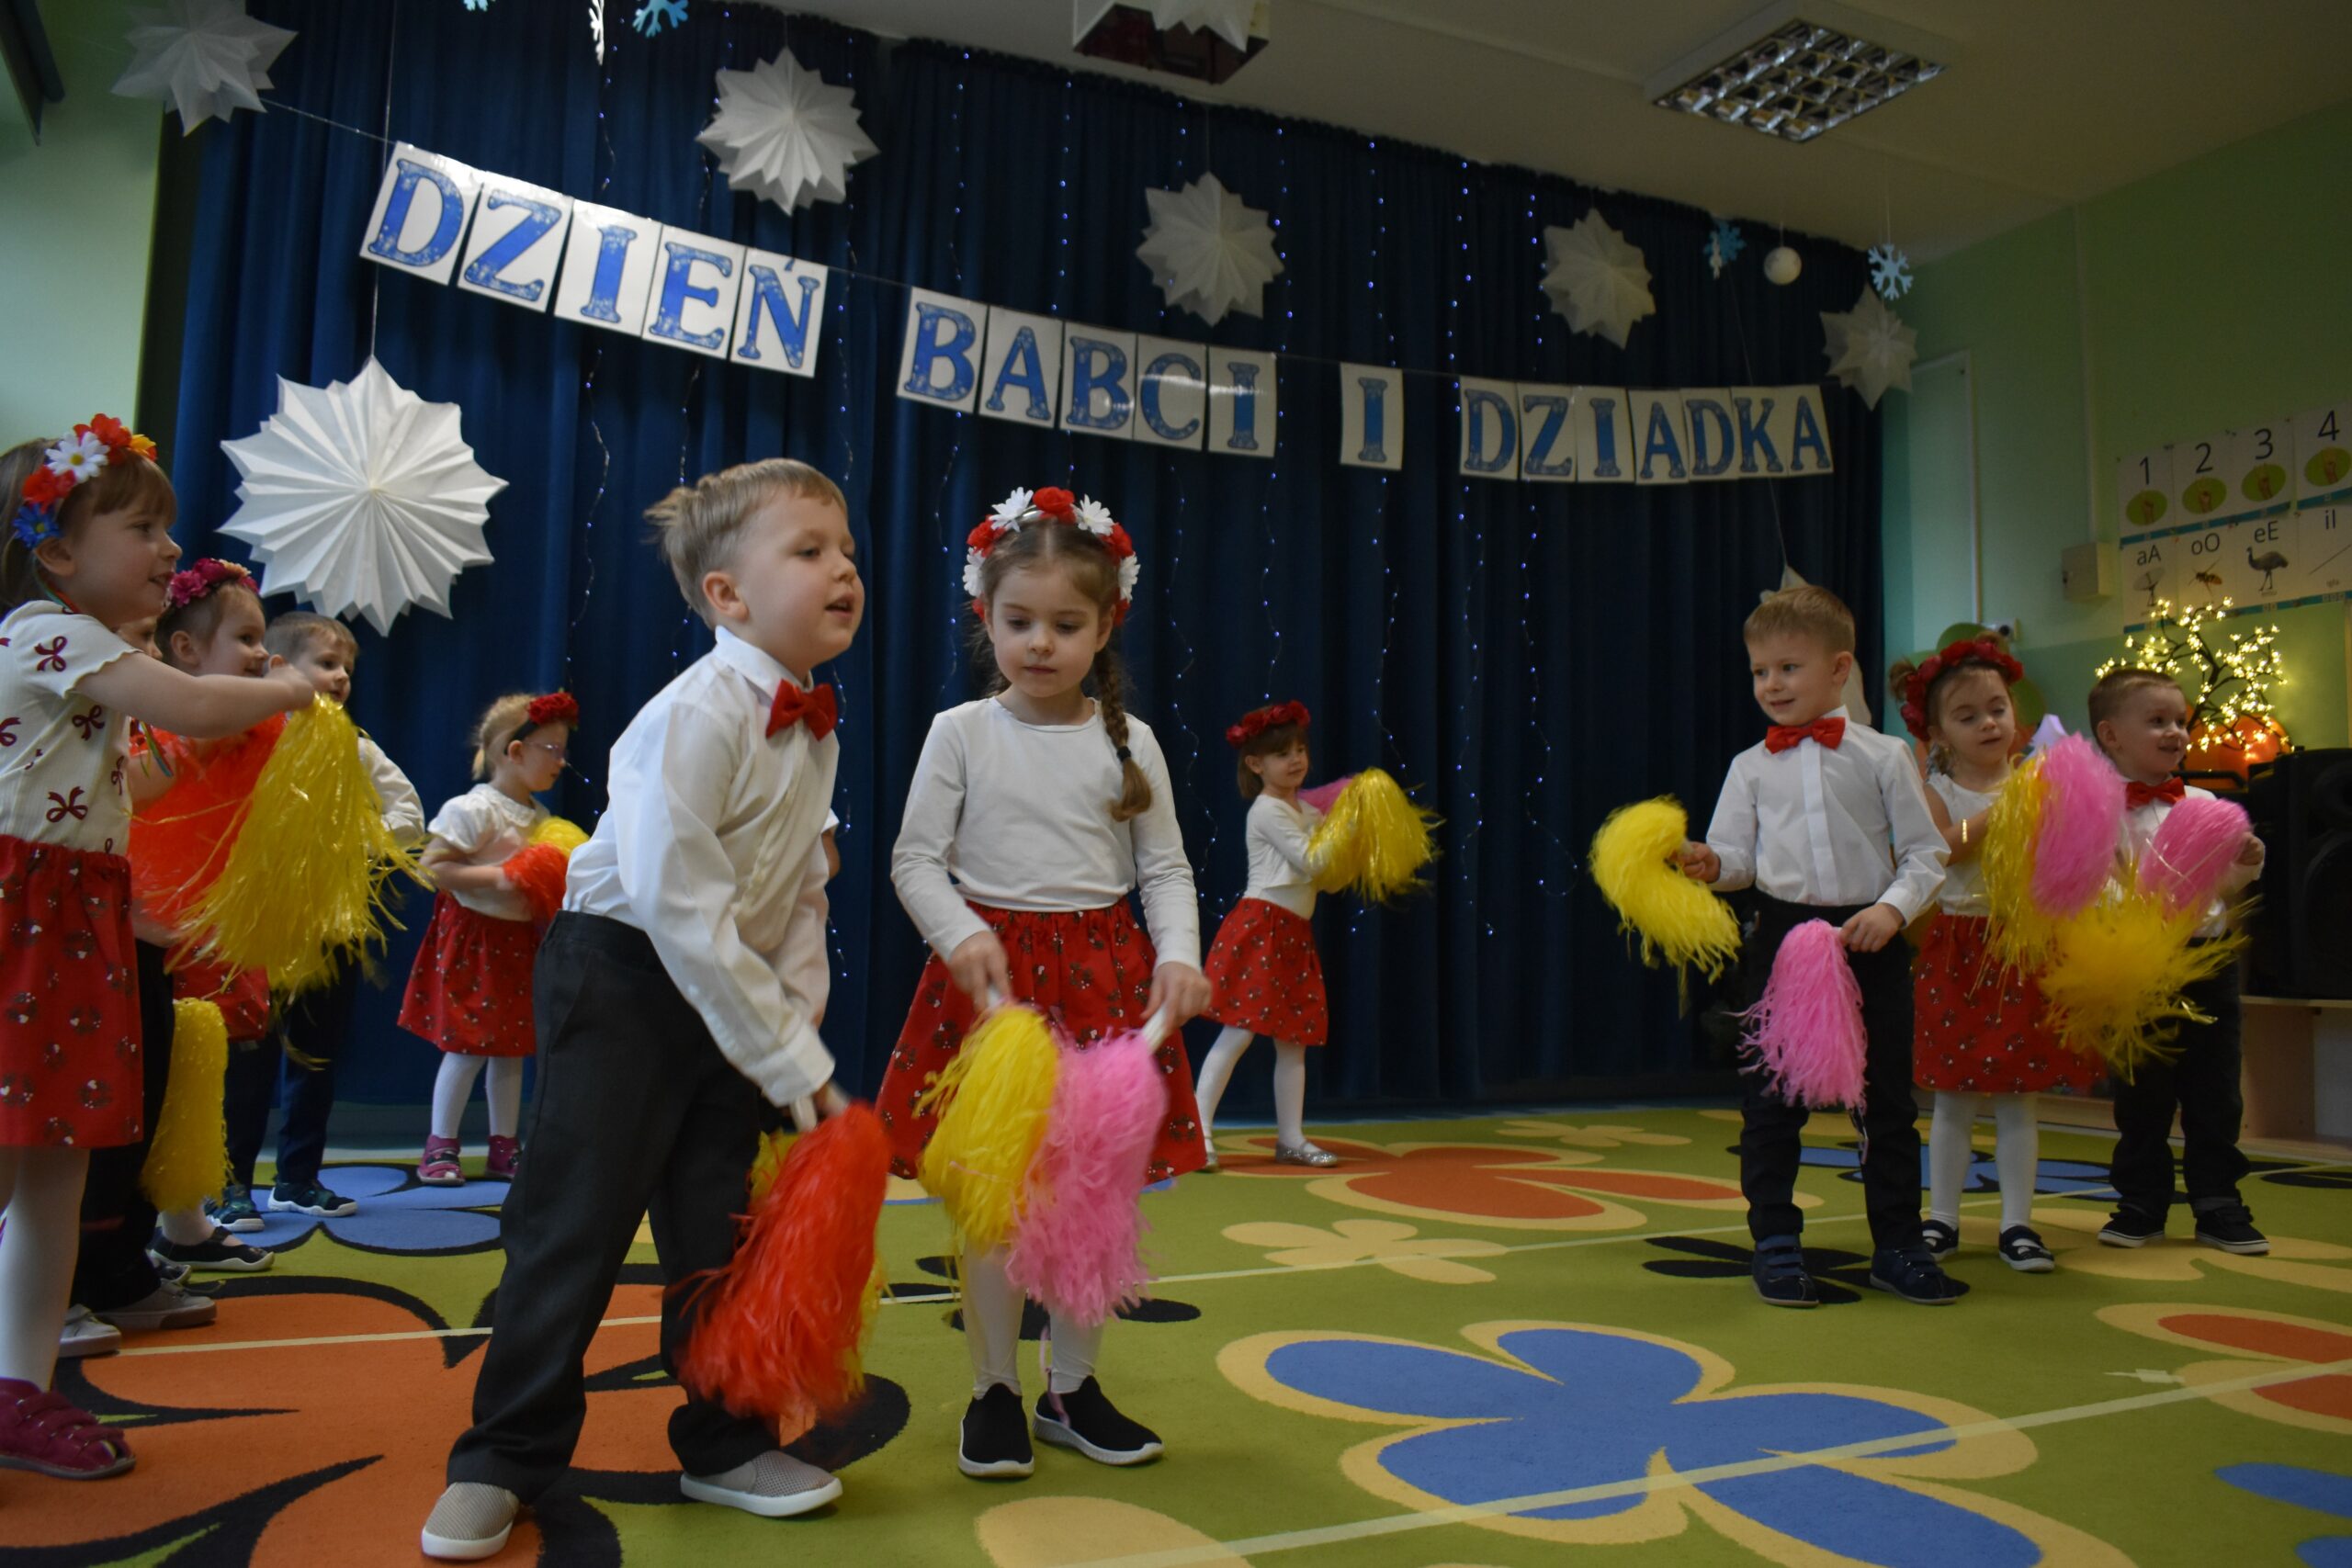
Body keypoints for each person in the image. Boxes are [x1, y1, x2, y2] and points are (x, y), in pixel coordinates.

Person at [423, 457, 860, 1559]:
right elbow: (677, 901)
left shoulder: (817, 728)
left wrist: (793, 1027)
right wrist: (785, 1050)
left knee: (721, 1230)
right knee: (571, 1225)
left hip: (729, 988)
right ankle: (501, 1457)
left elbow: (799, 893)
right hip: (621, 976)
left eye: (847, 551)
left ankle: (725, 1443)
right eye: (809, 551)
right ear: (727, 594)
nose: (843, 570)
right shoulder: (694, 714)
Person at [876, 485, 1211, 1482]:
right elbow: (914, 860)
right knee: (995, 1200)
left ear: (1106, 626)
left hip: (1106, 986)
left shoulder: (1130, 740)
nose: (1040, 643)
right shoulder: (960, 731)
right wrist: (960, 934)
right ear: (984, 617)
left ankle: (1071, 1387)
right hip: (993, 994)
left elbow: (1165, 869)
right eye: (1019, 621)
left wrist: (1179, 953)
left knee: (1086, 1196)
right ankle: (993, 1390)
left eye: (1066, 625)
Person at [0, 417, 310, 1478]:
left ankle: (20, 1392)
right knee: (11, 1162)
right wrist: (287, 689)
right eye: (142, 529)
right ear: (55, 552)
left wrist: (175, 761)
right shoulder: (46, 632)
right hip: (21, 921)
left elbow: (129, 776)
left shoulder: (89, 659)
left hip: (72, 920)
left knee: (57, 1168)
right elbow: (190, 700)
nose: (170, 551)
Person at [1678, 585, 1959, 1308]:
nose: (1771, 684)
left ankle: (1898, 1243)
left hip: (1871, 939)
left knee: (1886, 1101)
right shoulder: (1749, 766)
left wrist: (1891, 911)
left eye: (1789, 667)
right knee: (1772, 1101)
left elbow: (1925, 854)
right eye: (1760, 671)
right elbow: (1739, 859)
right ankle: (1775, 1239)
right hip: (1783, 944)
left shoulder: (1885, 755)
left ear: (1839, 669)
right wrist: (1712, 863)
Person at [209, 610, 425, 1226]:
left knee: (315, 1056)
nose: (340, 678)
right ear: (279, 668)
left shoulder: (356, 748)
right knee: (247, 1061)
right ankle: (229, 1183)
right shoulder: (249, 737)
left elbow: (408, 814)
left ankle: (297, 1178)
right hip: (258, 927)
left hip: (331, 925)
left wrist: (355, 843)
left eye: (347, 669)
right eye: (327, 664)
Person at [1893, 637, 2095, 1272]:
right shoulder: (1938, 790)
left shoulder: (2040, 783)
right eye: (1968, 715)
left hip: (2022, 946)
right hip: (1958, 946)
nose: (1988, 723)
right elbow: (1939, 849)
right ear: (1938, 734)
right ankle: (1942, 1218)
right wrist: (2000, 812)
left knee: (2018, 1096)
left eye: (1997, 709)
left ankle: (2017, 1224)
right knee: (1952, 1097)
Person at [2087, 668, 2267, 1255]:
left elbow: (2223, 887)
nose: (2176, 733)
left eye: (2180, 722)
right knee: (2142, 1091)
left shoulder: (2204, 802)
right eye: (2157, 721)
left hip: (2207, 960)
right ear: (2111, 735)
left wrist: (2247, 861)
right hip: (2137, 965)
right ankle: (2142, 1202)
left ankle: (2218, 1202)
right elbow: (2088, 886)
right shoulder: (2095, 810)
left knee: (2216, 1088)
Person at [400, 692, 574, 1183]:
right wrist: (504, 877)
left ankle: (504, 1146)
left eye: (563, 751)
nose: (561, 761)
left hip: (518, 942)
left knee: (512, 1047)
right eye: (552, 750)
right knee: (467, 1046)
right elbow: (433, 867)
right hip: (475, 941)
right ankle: (441, 1146)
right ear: (514, 752)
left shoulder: (540, 819)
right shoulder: (474, 809)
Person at [1193, 700, 1339, 1169]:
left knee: (1293, 1041)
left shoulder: (1308, 811)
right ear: (1256, 764)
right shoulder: (1268, 811)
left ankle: (1291, 1138)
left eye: (1300, 750)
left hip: (1293, 932)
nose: (1296, 760)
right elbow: (1313, 861)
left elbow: (1329, 878)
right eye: (1282, 754)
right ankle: (1198, 1132)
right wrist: (1351, 822)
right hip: (1262, 928)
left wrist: (1344, 835)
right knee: (1237, 1034)